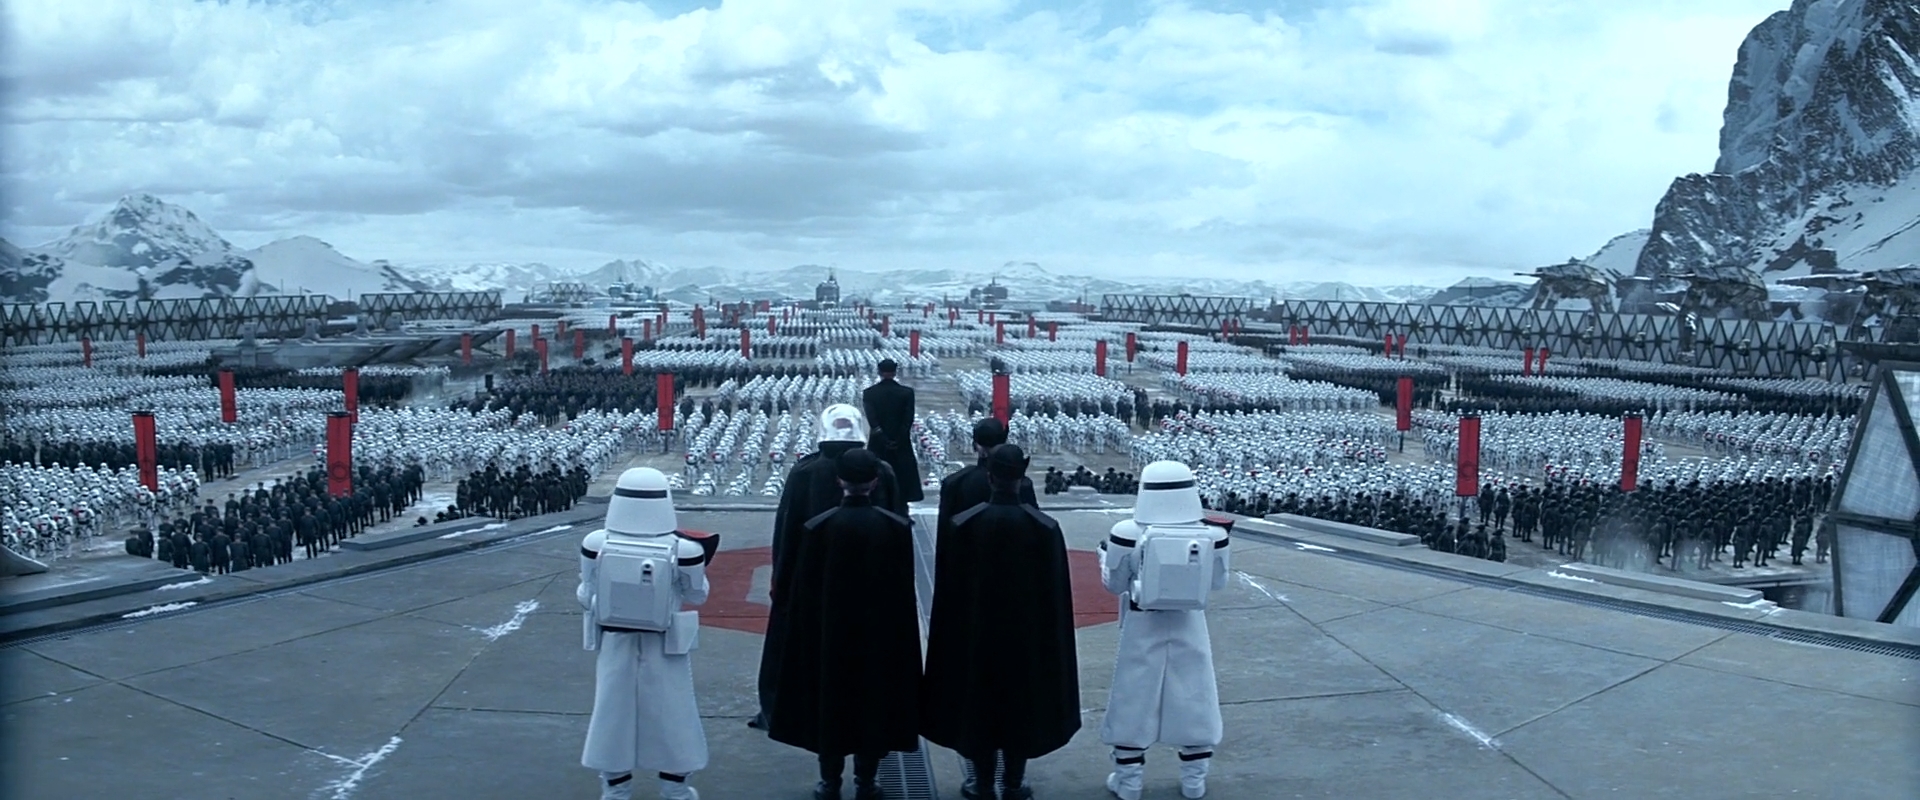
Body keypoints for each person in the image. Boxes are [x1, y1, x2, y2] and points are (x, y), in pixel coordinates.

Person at [922, 445, 1080, 800]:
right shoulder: (1045, 529)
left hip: (976, 637)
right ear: (1022, 477)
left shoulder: (964, 526)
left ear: (990, 476)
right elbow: (1055, 599)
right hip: (1026, 640)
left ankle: (982, 783)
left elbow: (950, 593)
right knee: (1020, 708)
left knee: (979, 707)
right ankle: (1013, 782)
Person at [764, 449, 921, 800]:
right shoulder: (894, 528)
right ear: (875, 482)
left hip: (830, 635)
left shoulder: (818, 529)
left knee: (831, 703)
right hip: (878, 634)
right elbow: (902, 590)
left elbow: (805, 592)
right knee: (873, 701)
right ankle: (867, 781)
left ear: (839, 481)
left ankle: (830, 782)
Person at [752, 404, 904, 731]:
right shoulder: (882, 471)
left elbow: (787, 531)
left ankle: (782, 708)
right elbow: (898, 527)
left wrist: (781, 579)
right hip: (872, 578)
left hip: (812, 577)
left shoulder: (804, 472)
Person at [578, 467, 715, 800]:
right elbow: (698, 595)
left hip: (615, 640)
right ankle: (675, 788)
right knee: (673, 716)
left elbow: (585, 593)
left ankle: (616, 788)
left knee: (612, 714)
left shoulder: (596, 542)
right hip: (665, 642)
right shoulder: (686, 549)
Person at [1099, 460, 1229, 800]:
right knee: (1195, 697)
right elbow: (1218, 582)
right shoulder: (1214, 535)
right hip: (1190, 623)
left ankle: (1129, 782)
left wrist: (1104, 559)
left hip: (1142, 624)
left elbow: (1114, 585)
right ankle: (1194, 781)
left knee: (1133, 698)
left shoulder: (1127, 532)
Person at [862, 359, 925, 503]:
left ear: (879, 372)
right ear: (895, 372)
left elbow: (872, 420)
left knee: (876, 474)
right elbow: (908, 419)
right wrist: (898, 438)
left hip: (878, 442)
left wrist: (883, 438)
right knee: (902, 477)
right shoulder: (907, 393)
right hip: (901, 443)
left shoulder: (869, 393)